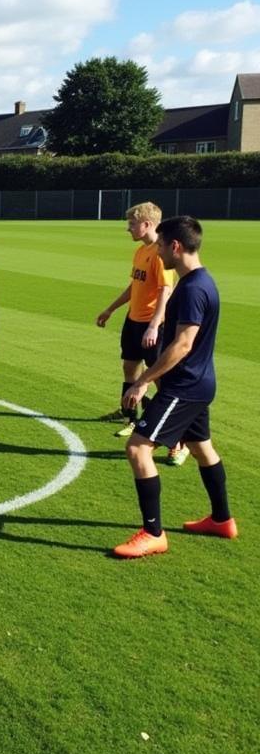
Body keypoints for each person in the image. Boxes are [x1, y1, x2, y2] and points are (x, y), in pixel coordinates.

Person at [113, 216, 237, 559]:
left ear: (176, 246)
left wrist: (143, 381)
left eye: (162, 245)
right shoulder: (200, 281)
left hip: (184, 386)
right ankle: (222, 520)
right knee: (201, 448)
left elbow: (182, 344)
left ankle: (154, 533)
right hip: (199, 382)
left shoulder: (194, 288)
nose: (159, 252)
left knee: (138, 449)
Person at [95, 202, 187, 465]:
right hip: (133, 320)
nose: (128, 229)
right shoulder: (140, 251)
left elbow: (164, 291)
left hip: (150, 324)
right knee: (129, 368)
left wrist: (154, 324)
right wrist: (110, 309)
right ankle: (131, 416)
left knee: (160, 381)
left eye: (132, 224)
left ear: (147, 224)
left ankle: (178, 441)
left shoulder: (161, 253)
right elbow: (135, 285)